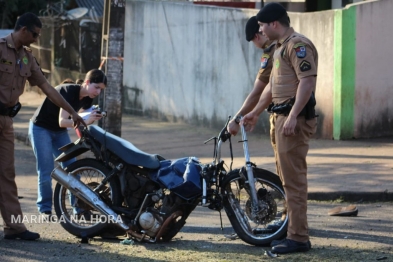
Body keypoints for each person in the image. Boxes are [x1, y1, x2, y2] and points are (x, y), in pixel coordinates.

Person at [0, 12, 85, 240]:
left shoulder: (27, 57)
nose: (37, 39)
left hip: (6, 121)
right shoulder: (0, 48)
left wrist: (74, 112)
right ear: (24, 30)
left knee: (6, 174)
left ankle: (14, 228)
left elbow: (48, 89)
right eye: (35, 34)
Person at [241, 3, 318, 254]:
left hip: (292, 120)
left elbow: (307, 82)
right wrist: (253, 113)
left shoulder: (297, 45)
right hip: (281, 119)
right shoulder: (279, 50)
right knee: (286, 181)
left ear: (274, 24)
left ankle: (298, 237)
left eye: (262, 25)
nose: (260, 29)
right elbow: (271, 89)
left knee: (294, 182)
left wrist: (294, 114)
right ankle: (291, 230)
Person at [28, 69, 107, 217]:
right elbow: (63, 121)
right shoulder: (68, 91)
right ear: (87, 82)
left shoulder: (87, 97)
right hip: (41, 128)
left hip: (59, 132)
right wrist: (86, 121)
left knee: (73, 169)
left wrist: (93, 115)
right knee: (46, 170)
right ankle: (44, 209)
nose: (98, 92)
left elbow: (80, 116)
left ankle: (78, 209)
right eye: (96, 87)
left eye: (101, 90)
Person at [227, 16, 275, 135]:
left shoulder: (272, 52)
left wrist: (237, 119)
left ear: (257, 37)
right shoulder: (285, 44)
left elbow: (258, 92)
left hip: (287, 117)